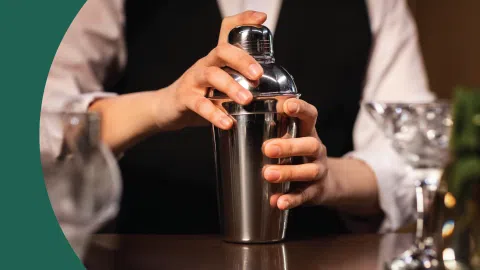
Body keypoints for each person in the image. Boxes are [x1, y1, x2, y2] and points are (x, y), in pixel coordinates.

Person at [42, 0, 435, 236]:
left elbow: (409, 151)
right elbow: (40, 122)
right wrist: (163, 105)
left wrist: (328, 178)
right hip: (148, 252)